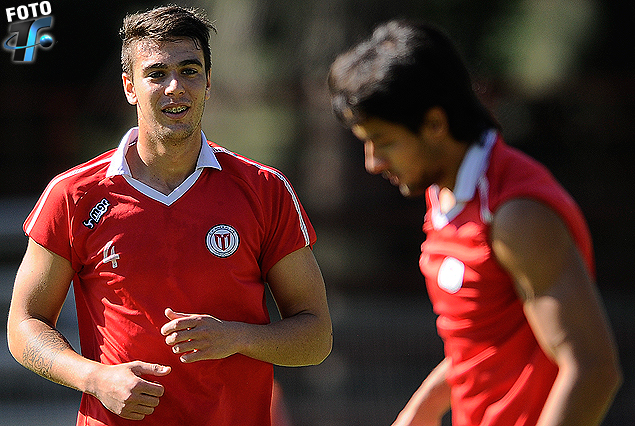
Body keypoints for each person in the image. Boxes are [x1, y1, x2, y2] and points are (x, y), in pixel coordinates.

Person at [7, 5, 332, 426]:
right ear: (129, 86)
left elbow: (316, 337)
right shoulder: (73, 194)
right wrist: (96, 378)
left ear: (208, 83)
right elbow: (24, 324)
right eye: (157, 74)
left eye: (190, 71)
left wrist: (237, 337)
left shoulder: (265, 189)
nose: (175, 87)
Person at [328, 19, 621, 426]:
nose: (373, 162)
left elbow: (592, 370)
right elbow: (483, 340)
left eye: (385, 141)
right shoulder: (441, 192)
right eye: (366, 142)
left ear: (435, 125)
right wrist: (424, 409)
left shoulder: (516, 216)